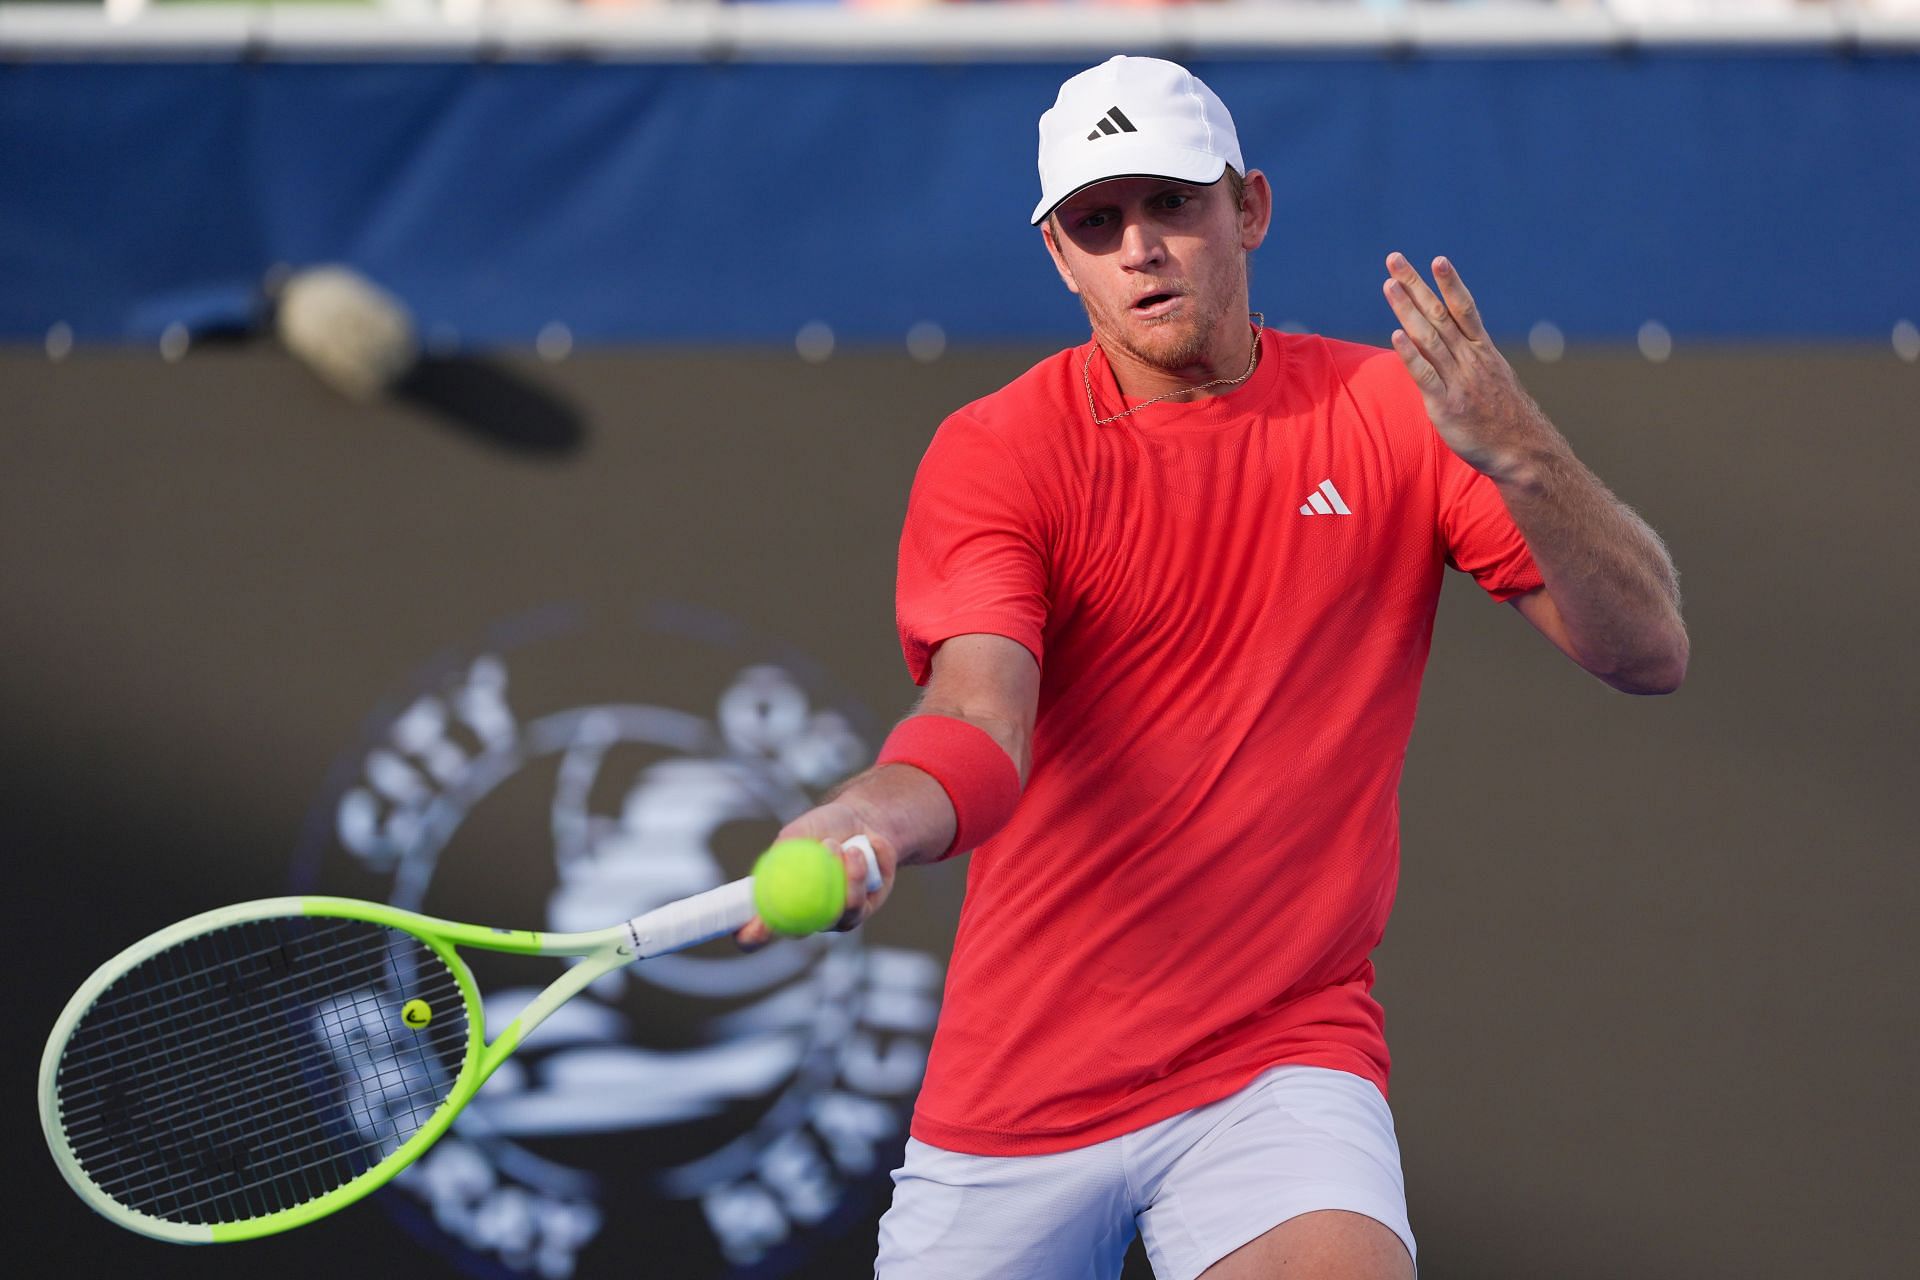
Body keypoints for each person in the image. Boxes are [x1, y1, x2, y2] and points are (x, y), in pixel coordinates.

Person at [735, 55, 1688, 1279]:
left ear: (1250, 209)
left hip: (1278, 1054)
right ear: (1060, 257)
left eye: (1171, 204)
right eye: (1097, 222)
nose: (1139, 246)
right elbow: (977, 724)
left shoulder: (1399, 410)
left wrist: (1522, 454)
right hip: (1020, 1083)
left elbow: (1649, 648)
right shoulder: (997, 453)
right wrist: (866, 817)